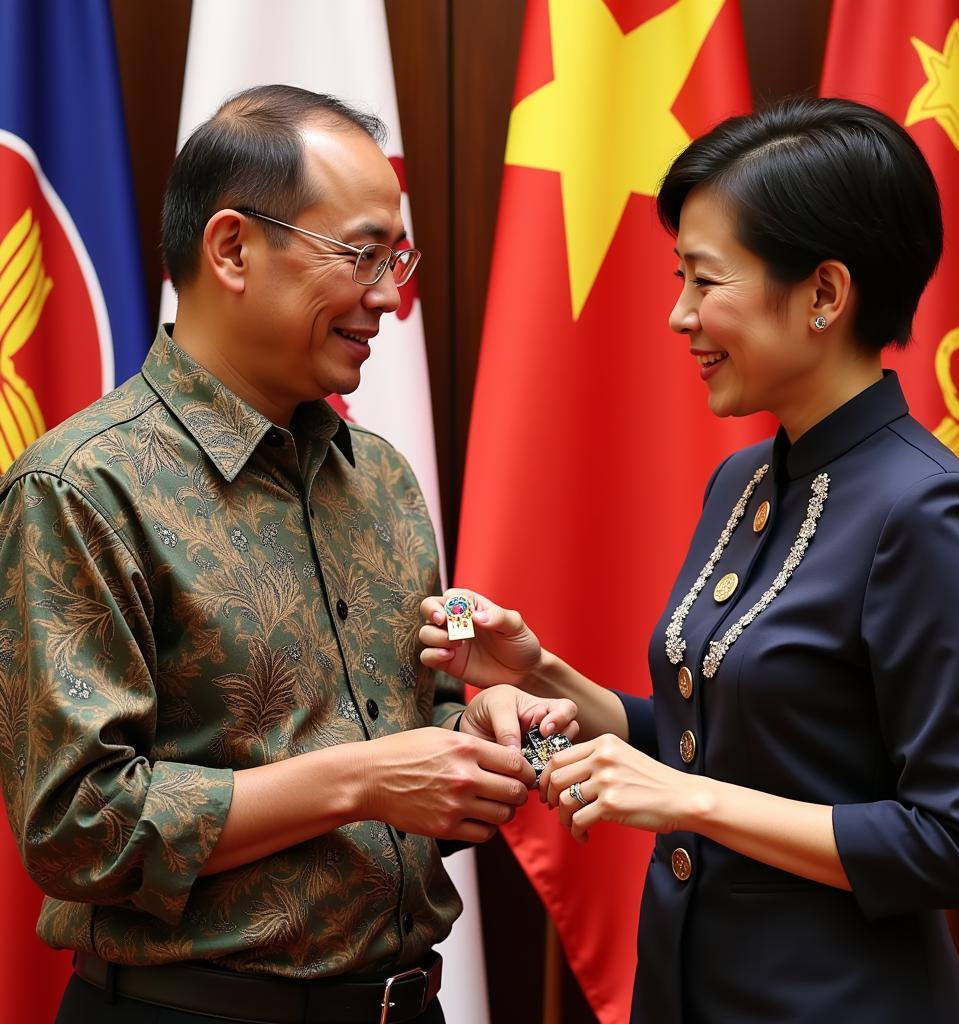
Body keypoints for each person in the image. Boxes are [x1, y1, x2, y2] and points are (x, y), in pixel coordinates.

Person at [420, 97, 959, 1023]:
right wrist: (545, 675)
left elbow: (958, 845)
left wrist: (689, 802)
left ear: (825, 293)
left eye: (706, 281)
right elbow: (730, 735)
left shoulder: (924, 510)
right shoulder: (745, 479)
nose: (678, 315)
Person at [0, 84, 577, 1024]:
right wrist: (367, 777)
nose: (390, 295)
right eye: (361, 255)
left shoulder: (380, 478)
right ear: (232, 248)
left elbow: (416, 732)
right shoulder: (81, 486)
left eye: (397, 257)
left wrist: (476, 740)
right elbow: (78, 830)